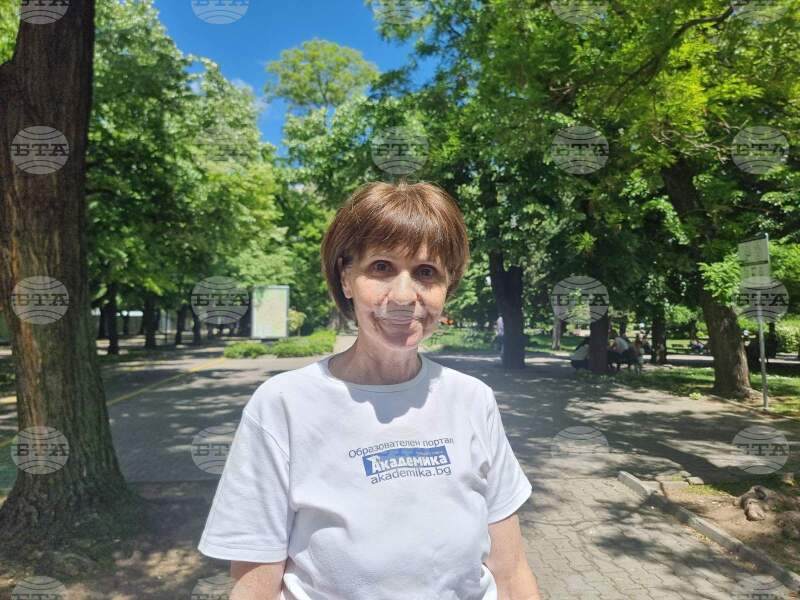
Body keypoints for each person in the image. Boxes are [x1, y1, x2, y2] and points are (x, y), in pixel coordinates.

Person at [197, 181, 542, 600]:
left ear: (446, 288)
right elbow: (255, 589)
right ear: (346, 279)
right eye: (381, 267)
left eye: (426, 272)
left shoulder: (472, 400)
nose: (404, 297)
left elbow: (511, 572)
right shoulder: (283, 406)